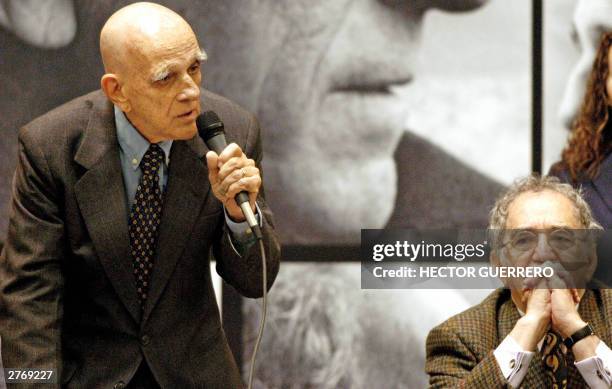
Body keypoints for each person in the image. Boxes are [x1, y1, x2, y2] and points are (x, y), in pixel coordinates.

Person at [0, 2, 280, 388]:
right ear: (117, 90)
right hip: (90, 375)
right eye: (166, 78)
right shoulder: (51, 147)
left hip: (194, 375)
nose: (190, 92)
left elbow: (255, 282)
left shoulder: (230, 131)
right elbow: (30, 297)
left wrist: (237, 216)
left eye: (194, 68)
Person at [426, 175, 612, 388]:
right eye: (523, 240)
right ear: (500, 266)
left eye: (561, 238)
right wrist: (530, 327)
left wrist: (575, 330)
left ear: (590, 259)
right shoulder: (460, 338)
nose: (543, 254)